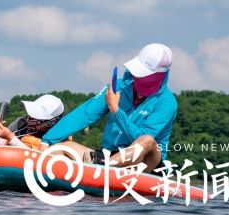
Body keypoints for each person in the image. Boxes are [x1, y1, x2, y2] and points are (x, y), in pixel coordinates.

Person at [42, 43, 176, 171]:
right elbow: (86, 113)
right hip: (107, 156)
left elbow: (139, 140)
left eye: (144, 74)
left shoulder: (167, 103)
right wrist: (46, 141)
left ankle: (103, 168)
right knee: (59, 148)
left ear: (159, 76)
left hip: (145, 163)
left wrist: (115, 110)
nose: (137, 76)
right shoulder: (117, 87)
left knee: (147, 140)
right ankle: (96, 170)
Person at [0, 94, 65, 150]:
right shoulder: (20, 124)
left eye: (37, 117)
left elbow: (40, 161)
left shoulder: (59, 138)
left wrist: (11, 139)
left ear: (50, 123)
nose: (30, 119)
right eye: (32, 114)